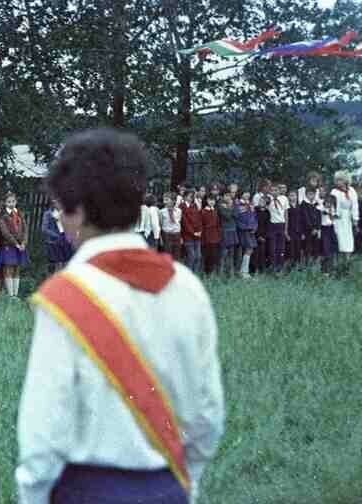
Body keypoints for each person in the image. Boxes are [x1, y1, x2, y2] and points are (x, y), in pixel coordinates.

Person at [18, 128, 224, 504]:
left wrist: (32, 495)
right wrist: (185, 483)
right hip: (167, 484)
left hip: (87, 490)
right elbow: (207, 411)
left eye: (61, 207)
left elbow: (44, 429)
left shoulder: (63, 297)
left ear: (76, 211)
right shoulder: (188, 286)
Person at [0, 192, 29, 298]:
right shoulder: (2, 215)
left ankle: (16, 294)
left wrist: (24, 243)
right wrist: (16, 244)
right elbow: (5, 232)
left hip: (21, 246)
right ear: (5, 203)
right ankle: (10, 295)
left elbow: (25, 229)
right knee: (8, 269)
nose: (11, 204)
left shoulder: (20, 213)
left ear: (16, 202)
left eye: (13, 201)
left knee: (17, 269)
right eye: (9, 202)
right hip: (9, 245)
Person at [329, 170, 359, 263]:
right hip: (338, 218)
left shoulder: (352, 190)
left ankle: (347, 260)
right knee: (339, 239)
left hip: (348, 218)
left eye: (340, 180)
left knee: (348, 239)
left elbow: (355, 205)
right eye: (337, 180)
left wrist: (355, 219)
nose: (338, 182)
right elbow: (332, 205)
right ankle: (338, 262)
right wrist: (333, 216)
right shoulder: (334, 191)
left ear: (345, 180)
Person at [42, 198, 73, 272]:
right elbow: (44, 229)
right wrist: (56, 235)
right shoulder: (48, 214)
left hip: (65, 240)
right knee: (57, 264)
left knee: (66, 264)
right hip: (54, 242)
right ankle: (55, 281)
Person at [234, 191, 257, 279]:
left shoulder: (251, 204)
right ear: (241, 194)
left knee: (250, 249)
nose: (247, 194)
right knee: (245, 249)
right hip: (243, 231)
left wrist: (255, 227)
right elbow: (237, 219)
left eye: (248, 193)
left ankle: (244, 271)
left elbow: (255, 216)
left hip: (251, 230)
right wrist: (246, 227)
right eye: (245, 193)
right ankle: (242, 272)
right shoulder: (238, 204)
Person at [267, 185, 289, 273]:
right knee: (273, 248)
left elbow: (286, 214)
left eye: (276, 190)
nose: (274, 192)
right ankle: (273, 267)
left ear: (279, 191)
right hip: (272, 225)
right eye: (272, 190)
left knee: (281, 248)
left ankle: (280, 267)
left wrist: (286, 229)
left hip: (282, 225)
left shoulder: (284, 199)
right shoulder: (268, 199)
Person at [181, 190, 203, 273]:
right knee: (191, 256)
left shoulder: (194, 206)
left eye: (192, 197)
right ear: (185, 197)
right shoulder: (182, 206)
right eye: (190, 196)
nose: (191, 198)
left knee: (198, 256)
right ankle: (189, 275)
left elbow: (199, 219)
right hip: (188, 235)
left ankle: (195, 274)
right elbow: (184, 222)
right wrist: (193, 232)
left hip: (197, 235)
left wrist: (200, 230)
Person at [218, 194, 239, 276]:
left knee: (231, 254)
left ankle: (231, 274)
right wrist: (230, 208)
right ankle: (220, 273)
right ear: (223, 197)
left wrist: (229, 207)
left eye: (229, 196)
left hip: (233, 230)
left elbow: (236, 215)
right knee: (223, 254)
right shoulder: (220, 206)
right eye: (226, 196)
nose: (228, 198)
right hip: (225, 231)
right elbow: (227, 216)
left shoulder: (233, 205)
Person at [201, 194, 222, 275]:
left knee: (214, 256)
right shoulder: (203, 211)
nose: (212, 202)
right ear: (206, 201)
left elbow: (218, 224)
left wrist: (218, 236)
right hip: (206, 236)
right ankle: (206, 273)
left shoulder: (215, 211)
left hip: (215, 237)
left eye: (213, 200)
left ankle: (212, 273)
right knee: (207, 256)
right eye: (210, 200)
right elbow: (202, 225)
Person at [300, 188, 322, 261]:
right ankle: (307, 262)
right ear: (306, 195)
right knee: (308, 246)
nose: (311, 196)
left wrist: (318, 228)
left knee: (316, 246)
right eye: (309, 194)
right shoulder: (304, 204)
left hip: (316, 229)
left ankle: (315, 261)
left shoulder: (317, 204)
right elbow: (306, 218)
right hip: (307, 229)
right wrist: (312, 228)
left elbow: (319, 217)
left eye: (313, 194)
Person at [160, 193, 182, 261]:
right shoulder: (161, 211)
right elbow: (160, 225)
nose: (165, 201)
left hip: (177, 234)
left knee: (177, 255)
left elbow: (179, 222)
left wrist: (180, 236)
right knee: (168, 255)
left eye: (167, 200)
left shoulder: (179, 211)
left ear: (173, 201)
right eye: (164, 200)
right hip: (167, 235)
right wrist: (161, 238)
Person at [285, 191, 305, 269]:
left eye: (294, 195)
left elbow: (302, 220)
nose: (292, 197)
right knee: (291, 250)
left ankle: (298, 267)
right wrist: (286, 232)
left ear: (296, 196)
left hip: (299, 231)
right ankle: (290, 267)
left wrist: (303, 232)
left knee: (298, 249)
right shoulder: (287, 207)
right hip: (290, 231)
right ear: (288, 197)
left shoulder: (299, 206)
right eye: (290, 195)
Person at [320, 194, 338, 273]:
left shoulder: (333, 209)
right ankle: (325, 269)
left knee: (333, 248)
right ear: (324, 202)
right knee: (325, 248)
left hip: (332, 228)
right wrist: (327, 212)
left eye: (330, 203)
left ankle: (332, 268)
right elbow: (323, 212)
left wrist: (333, 214)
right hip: (324, 229)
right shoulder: (321, 208)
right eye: (327, 202)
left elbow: (334, 218)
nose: (329, 204)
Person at [254, 196, 271, 274]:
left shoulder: (267, 212)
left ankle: (262, 269)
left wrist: (264, 236)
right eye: (260, 201)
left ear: (266, 204)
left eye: (263, 201)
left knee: (262, 253)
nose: (260, 202)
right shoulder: (255, 210)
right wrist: (258, 236)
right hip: (255, 235)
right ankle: (255, 269)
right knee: (255, 253)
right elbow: (253, 223)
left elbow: (267, 225)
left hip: (263, 236)